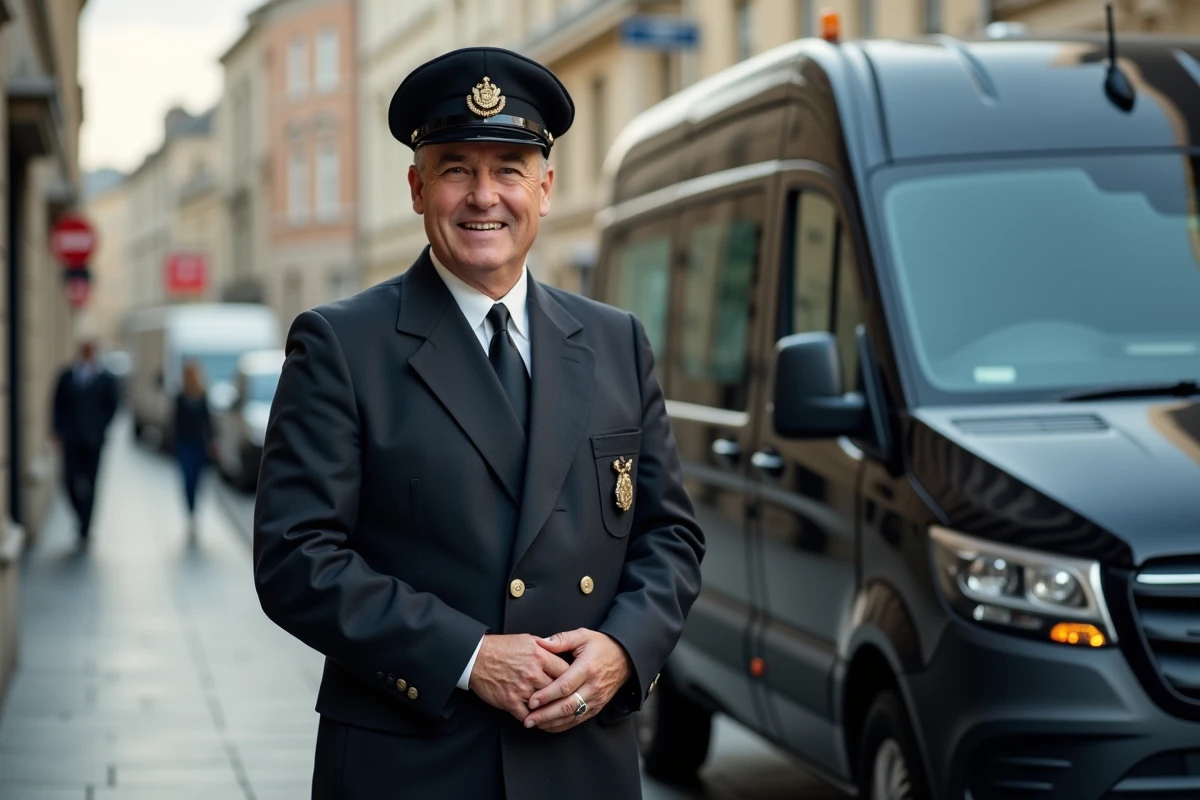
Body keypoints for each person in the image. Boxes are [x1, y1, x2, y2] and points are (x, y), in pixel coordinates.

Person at [253, 46, 705, 800]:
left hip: (580, 763)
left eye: (509, 168)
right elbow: (295, 558)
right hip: (412, 765)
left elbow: (671, 537)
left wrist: (626, 649)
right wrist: (467, 656)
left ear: (546, 188)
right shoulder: (342, 344)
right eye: (457, 167)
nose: (483, 196)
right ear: (416, 187)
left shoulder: (615, 341)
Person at [53, 338, 119, 545]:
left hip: (93, 440)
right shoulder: (66, 376)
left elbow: (113, 406)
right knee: (69, 481)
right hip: (71, 440)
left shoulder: (105, 379)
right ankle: (79, 516)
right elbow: (57, 405)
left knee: (91, 484)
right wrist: (57, 430)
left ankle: (86, 526)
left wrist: (101, 426)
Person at [172, 360, 214, 535]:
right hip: (184, 444)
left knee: (197, 480)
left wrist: (212, 441)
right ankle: (190, 511)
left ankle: (195, 507)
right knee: (187, 480)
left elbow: (208, 420)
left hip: (199, 444)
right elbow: (175, 421)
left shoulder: (203, 394)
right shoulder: (180, 397)